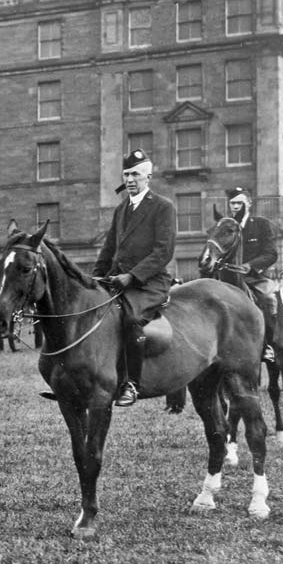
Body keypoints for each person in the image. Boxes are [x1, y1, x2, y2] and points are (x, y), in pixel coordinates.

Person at [92, 148, 176, 407]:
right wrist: (95, 279)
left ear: (148, 177)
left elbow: (163, 251)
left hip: (149, 283)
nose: (130, 179)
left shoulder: (163, 207)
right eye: (127, 174)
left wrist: (133, 277)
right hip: (118, 281)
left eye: (136, 174)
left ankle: (131, 383)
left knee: (131, 319)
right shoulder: (121, 209)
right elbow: (108, 250)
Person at [220, 187, 278, 362]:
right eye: (233, 203)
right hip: (229, 278)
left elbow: (271, 254)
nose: (236, 206)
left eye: (240, 202)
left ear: (249, 203)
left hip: (255, 278)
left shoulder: (261, 224)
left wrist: (250, 266)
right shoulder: (225, 226)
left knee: (269, 299)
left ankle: (269, 345)